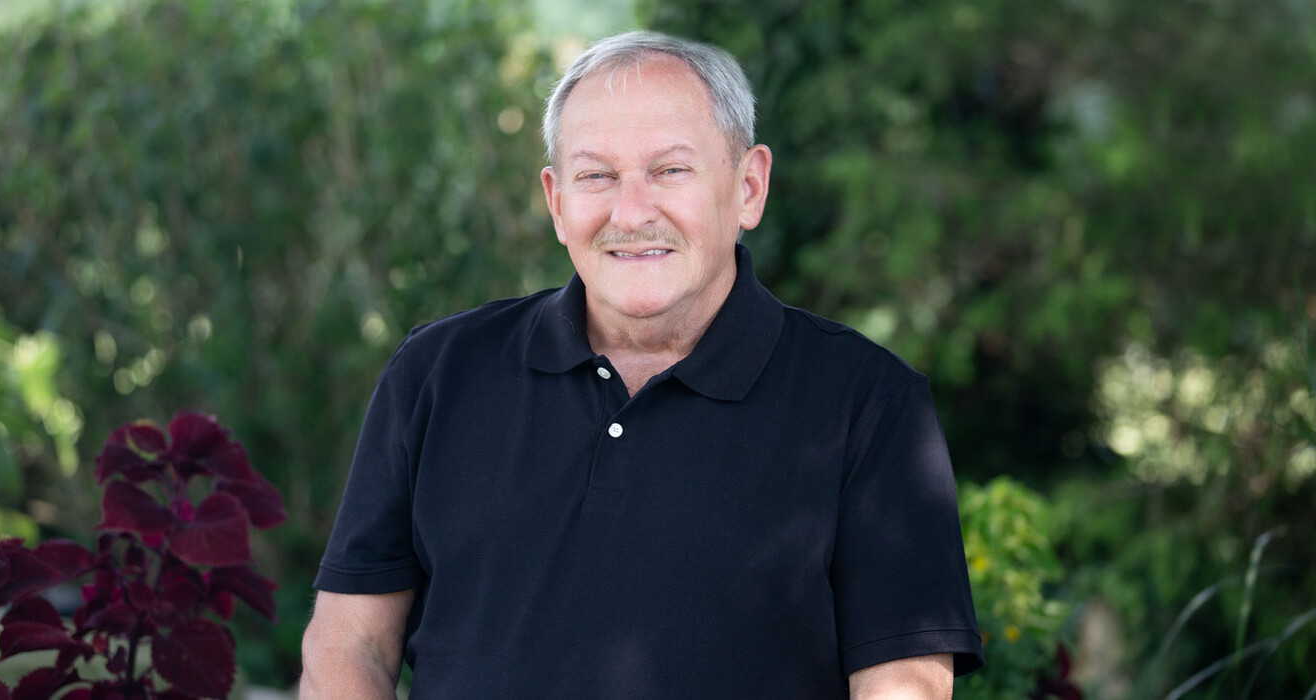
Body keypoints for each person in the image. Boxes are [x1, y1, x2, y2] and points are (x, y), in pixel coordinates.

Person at [301, 30, 983, 698]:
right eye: (597, 175)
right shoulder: (436, 374)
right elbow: (350, 644)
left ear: (748, 187)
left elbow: (904, 685)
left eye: (669, 171)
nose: (630, 213)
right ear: (556, 201)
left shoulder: (869, 402)